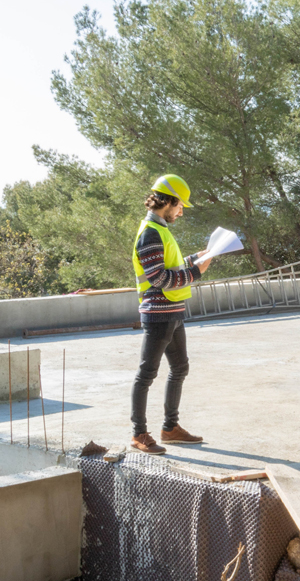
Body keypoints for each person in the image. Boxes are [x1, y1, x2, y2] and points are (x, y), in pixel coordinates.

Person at [129, 174, 212, 455]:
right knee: (146, 375)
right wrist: (197, 272)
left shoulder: (160, 230)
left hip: (173, 313)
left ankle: (170, 428)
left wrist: (191, 261)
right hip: (158, 315)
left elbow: (170, 265)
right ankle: (139, 434)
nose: (182, 211)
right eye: (180, 205)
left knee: (180, 369)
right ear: (169, 202)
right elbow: (159, 278)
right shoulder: (150, 232)